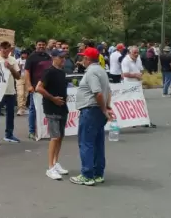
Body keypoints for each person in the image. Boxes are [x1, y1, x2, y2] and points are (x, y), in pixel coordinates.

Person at [69, 47, 112, 186]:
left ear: (87, 59)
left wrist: (104, 109)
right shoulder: (101, 71)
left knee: (86, 142)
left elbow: (97, 93)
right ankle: (98, 173)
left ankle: (87, 174)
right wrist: (107, 107)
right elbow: (108, 91)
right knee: (97, 142)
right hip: (97, 109)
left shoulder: (92, 72)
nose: (82, 60)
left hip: (91, 109)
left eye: (83, 57)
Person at [36, 49, 69, 180]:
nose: (63, 60)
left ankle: (55, 162)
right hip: (52, 108)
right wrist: (53, 98)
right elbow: (39, 88)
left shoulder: (62, 72)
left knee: (60, 137)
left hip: (62, 107)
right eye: (60, 57)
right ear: (53, 58)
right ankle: (50, 167)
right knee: (55, 137)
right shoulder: (48, 72)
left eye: (64, 57)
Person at [0, 42, 21, 146]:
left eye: (7, 48)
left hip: (10, 91)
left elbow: (18, 76)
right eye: (3, 48)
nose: (5, 50)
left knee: (10, 115)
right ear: (0, 48)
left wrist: (10, 68)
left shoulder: (13, 60)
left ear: (10, 49)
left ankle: (9, 135)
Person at [25, 39, 53, 140]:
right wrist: (29, 85)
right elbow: (27, 72)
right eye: (39, 44)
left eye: (43, 45)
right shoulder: (31, 57)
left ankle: (47, 131)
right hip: (35, 87)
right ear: (36, 45)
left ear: (45, 46)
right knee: (33, 109)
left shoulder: (48, 56)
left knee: (47, 109)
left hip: (47, 87)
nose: (41, 46)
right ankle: (31, 131)